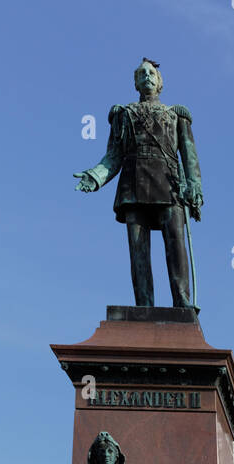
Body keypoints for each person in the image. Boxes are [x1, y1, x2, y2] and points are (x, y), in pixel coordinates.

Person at [74, 58, 202, 307]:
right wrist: (95, 176)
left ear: (159, 81)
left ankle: (182, 300)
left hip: (170, 184)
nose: (147, 76)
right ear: (135, 82)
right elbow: (113, 156)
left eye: (151, 73)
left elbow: (190, 157)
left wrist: (194, 186)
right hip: (133, 184)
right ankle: (144, 305)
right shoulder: (123, 114)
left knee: (176, 245)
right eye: (142, 73)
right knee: (138, 250)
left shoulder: (176, 115)